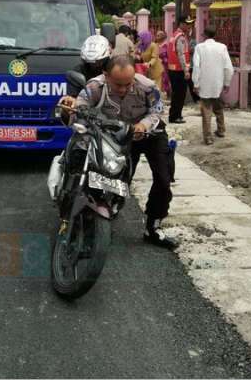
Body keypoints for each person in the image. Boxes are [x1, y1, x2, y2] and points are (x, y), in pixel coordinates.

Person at [72, 55, 177, 250]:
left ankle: (153, 227)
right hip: (118, 137)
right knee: (116, 182)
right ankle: (103, 218)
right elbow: (79, 110)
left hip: (150, 134)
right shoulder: (94, 87)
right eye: (117, 84)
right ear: (106, 75)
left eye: (127, 84)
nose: (123, 89)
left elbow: (157, 110)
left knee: (163, 180)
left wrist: (142, 126)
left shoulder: (147, 86)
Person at [192, 25, 234, 145]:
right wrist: (227, 83)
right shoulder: (222, 47)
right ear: (215, 35)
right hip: (217, 83)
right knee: (218, 107)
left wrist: (196, 83)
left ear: (204, 35)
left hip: (204, 83)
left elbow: (196, 66)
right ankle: (221, 130)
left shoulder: (199, 47)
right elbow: (228, 67)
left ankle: (208, 137)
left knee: (206, 110)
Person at [166, 17, 194, 124]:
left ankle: (176, 115)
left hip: (173, 70)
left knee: (176, 94)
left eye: (190, 24)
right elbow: (181, 55)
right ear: (181, 24)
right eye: (187, 24)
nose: (189, 26)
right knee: (180, 95)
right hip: (179, 70)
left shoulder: (174, 35)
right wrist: (186, 70)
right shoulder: (181, 37)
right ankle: (175, 116)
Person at [155, 30, 170, 97]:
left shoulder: (166, 46)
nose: (157, 37)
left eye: (158, 35)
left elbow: (169, 57)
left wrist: (162, 60)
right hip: (156, 67)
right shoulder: (155, 45)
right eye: (156, 35)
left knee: (165, 80)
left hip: (164, 66)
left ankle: (166, 93)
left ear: (163, 36)